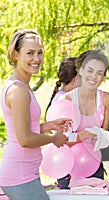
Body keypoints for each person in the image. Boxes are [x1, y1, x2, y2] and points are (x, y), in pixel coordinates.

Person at [0, 29, 70, 200]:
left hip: (25, 173)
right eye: (30, 53)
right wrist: (54, 139)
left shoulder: (21, 86)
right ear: (16, 55)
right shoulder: (18, 91)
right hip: (19, 176)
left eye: (40, 53)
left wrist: (48, 126)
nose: (37, 59)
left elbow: (22, 130)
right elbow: (25, 139)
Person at [54, 50, 109, 189]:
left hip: (94, 165)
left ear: (103, 77)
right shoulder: (66, 100)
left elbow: (104, 137)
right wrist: (85, 134)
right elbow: (61, 141)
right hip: (68, 166)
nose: (94, 77)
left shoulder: (106, 100)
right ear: (80, 70)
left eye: (99, 73)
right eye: (90, 70)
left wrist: (103, 137)